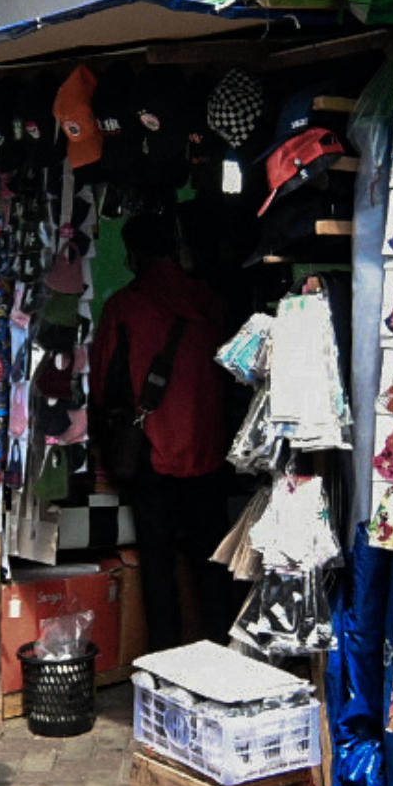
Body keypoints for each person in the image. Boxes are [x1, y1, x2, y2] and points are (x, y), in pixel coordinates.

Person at [92, 211, 235, 655]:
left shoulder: (125, 306)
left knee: (157, 565)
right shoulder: (213, 303)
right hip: (211, 452)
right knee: (212, 562)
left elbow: (101, 383)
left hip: (152, 452)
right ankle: (219, 655)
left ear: (134, 254)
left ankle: (166, 661)